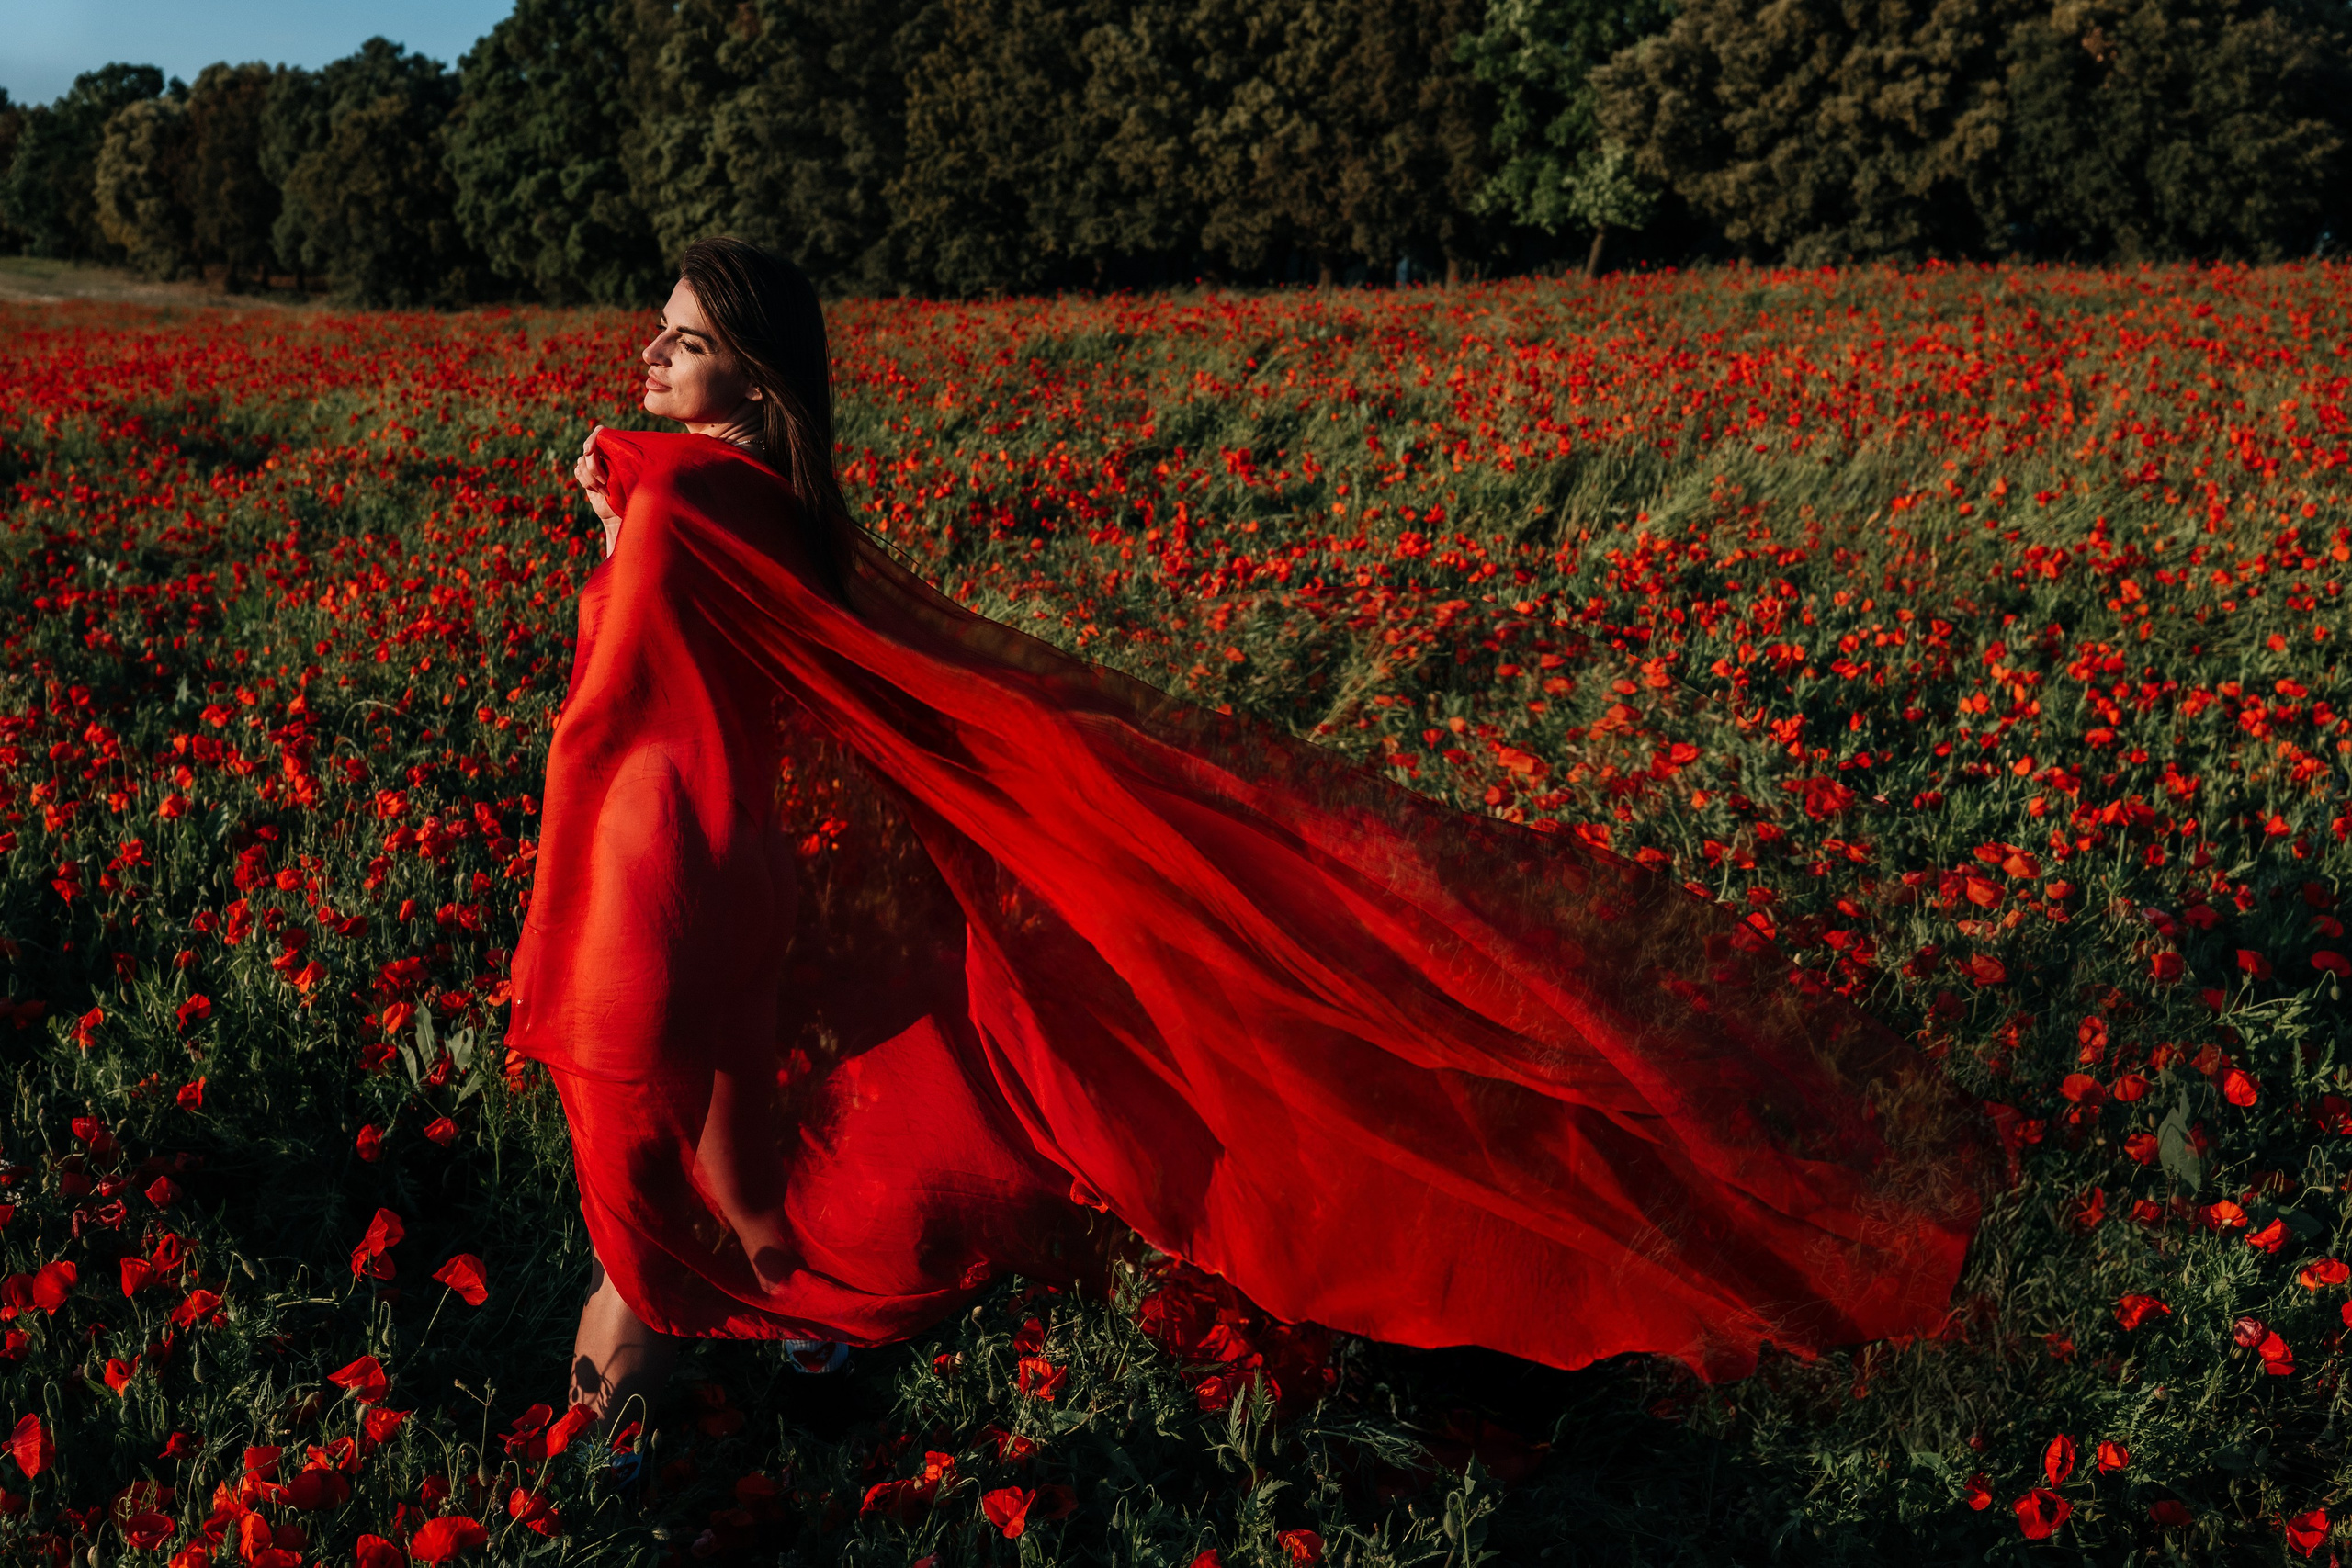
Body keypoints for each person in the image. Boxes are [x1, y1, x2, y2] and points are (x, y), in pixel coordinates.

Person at [507, 236, 1988, 1432]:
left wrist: (619, 516)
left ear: (755, 376)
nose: (649, 359)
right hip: (742, 879)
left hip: (674, 883)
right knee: (705, 1178)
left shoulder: (678, 488)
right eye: (658, 334)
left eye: (684, 341)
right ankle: (760, 1356)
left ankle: (617, 1450)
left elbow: (622, 694)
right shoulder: (770, 504)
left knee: (644, 1198)